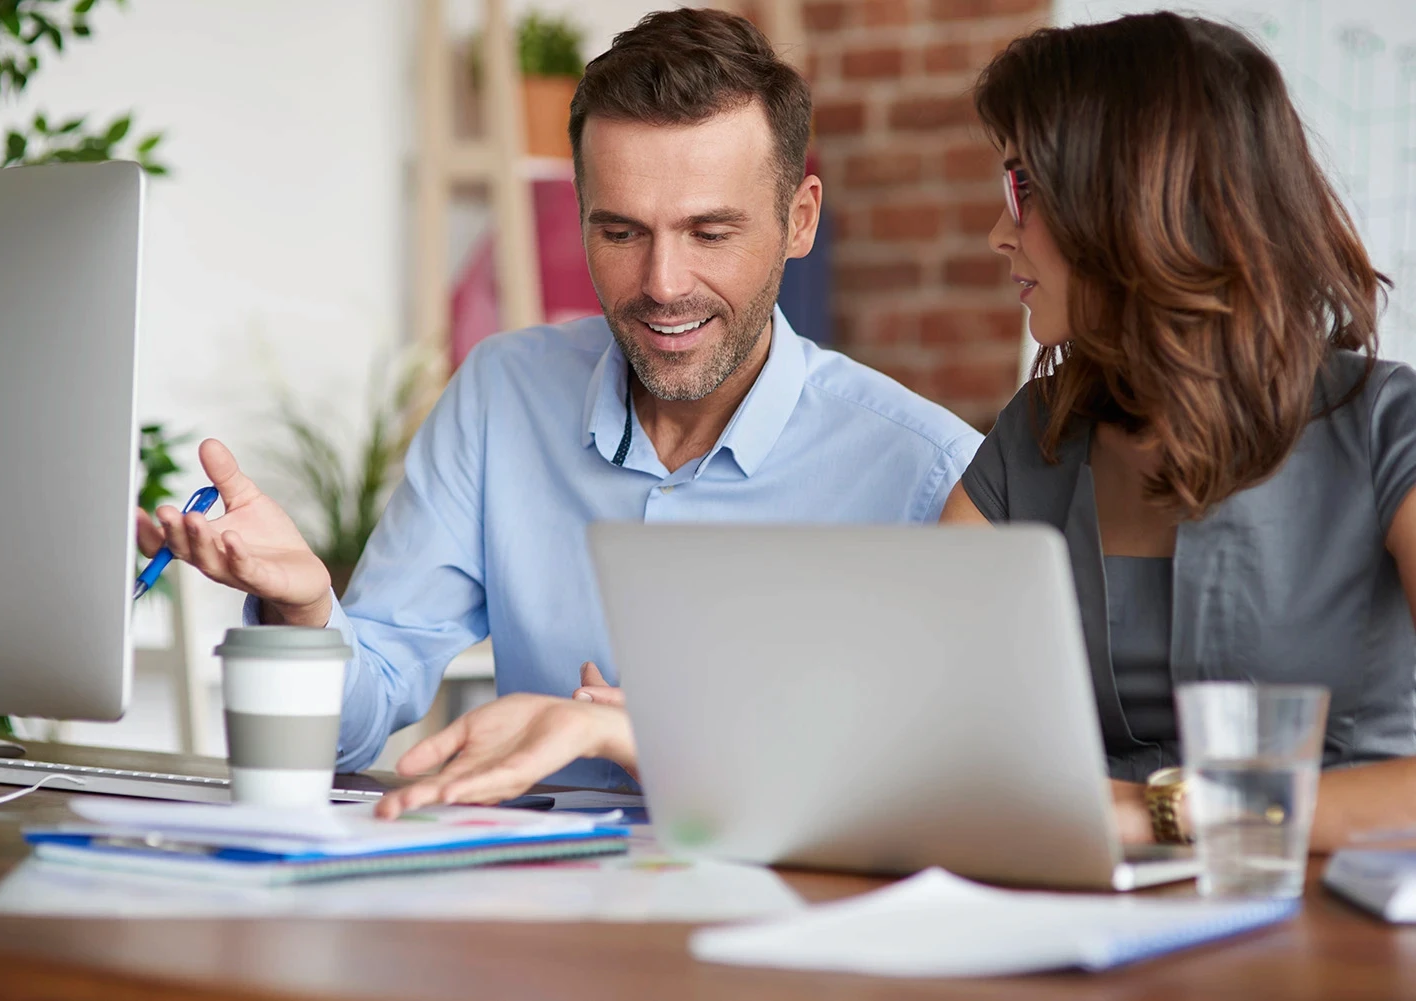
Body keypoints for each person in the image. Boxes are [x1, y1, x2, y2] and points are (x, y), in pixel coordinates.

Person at [376, 11, 1416, 857]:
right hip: (1092, 918)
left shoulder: (1387, 433)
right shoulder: (1033, 446)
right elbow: (896, 744)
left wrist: (1161, 814)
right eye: (621, 229)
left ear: (1134, 202)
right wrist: (628, 729)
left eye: (1023, 187)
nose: (997, 228)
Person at [136, 8, 979, 789]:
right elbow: (351, 731)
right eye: (620, 232)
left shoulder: (927, 474)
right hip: (530, 920)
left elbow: (944, 787)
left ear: (799, 221)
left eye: (711, 233)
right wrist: (307, 609)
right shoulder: (503, 397)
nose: (662, 284)